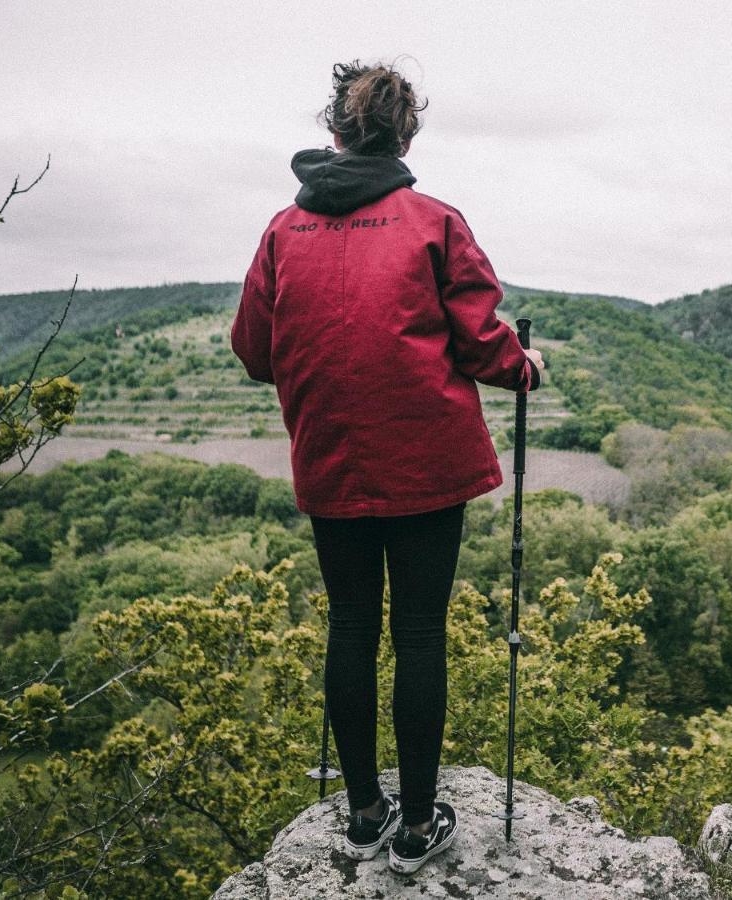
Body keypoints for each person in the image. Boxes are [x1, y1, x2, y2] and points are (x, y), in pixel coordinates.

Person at [230, 59, 543, 876]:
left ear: (333, 132)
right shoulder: (433, 221)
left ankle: (363, 813)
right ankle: (415, 829)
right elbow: (481, 343)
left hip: (330, 458)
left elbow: (253, 351)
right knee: (417, 633)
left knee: (350, 625)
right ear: (406, 134)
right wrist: (526, 366)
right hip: (427, 463)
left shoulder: (280, 232)